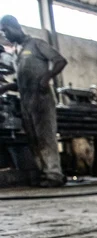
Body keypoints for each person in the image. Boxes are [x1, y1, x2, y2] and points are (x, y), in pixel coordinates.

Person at [0, 15, 67, 187]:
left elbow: (60, 60)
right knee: (33, 139)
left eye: (6, 30)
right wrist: (7, 88)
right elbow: (21, 82)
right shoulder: (17, 52)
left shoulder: (36, 44)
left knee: (46, 136)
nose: (5, 35)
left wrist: (47, 77)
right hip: (26, 100)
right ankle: (43, 174)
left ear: (14, 26)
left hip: (42, 98)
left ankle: (54, 175)